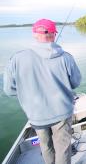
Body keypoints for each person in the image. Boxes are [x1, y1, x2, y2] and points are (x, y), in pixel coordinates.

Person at [3, 19, 81, 164]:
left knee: (45, 147)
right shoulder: (66, 57)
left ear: (34, 34)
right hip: (62, 112)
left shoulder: (16, 58)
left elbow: (9, 90)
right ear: (53, 34)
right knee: (63, 148)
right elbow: (76, 82)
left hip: (36, 114)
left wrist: (26, 94)